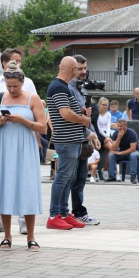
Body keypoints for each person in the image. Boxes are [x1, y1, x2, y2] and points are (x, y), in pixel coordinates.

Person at [0, 62, 45, 251]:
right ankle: (7, 236)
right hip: (4, 145)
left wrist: (23, 120)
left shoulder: (33, 98)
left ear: (23, 82)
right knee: (5, 185)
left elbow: (43, 126)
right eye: (9, 86)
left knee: (27, 186)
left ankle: (31, 237)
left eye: (15, 86)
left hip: (25, 146)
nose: (12, 90)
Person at [46, 56, 91, 230]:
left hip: (72, 139)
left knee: (69, 178)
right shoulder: (58, 87)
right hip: (66, 140)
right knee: (63, 177)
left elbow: (67, 110)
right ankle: (54, 215)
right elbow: (65, 114)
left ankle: (64, 213)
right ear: (73, 70)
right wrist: (83, 119)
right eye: (78, 69)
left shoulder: (62, 87)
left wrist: (80, 111)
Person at [67, 54, 101, 226]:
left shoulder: (82, 89)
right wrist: (90, 133)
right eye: (79, 68)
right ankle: (63, 213)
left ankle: (78, 212)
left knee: (80, 179)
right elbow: (72, 117)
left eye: (85, 68)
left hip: (84, 139)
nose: (83, 72)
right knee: (69, 179)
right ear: (72, 69)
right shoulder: (68, 88)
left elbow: (87, 116)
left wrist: (93, 134)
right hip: (72, 139)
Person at [104, 119, 139, 184]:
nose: (119, 128)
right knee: (111, 155)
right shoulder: (116, 133)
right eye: (118, 126)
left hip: (133, 152)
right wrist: (119, 137)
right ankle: (112, 176)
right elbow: (114, 148)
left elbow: (133, 149)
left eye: (121, 126)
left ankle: (133, 177)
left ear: (126, 125)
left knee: (133, 155)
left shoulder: (132, 133)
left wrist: (120, 153)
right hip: (122, 153)